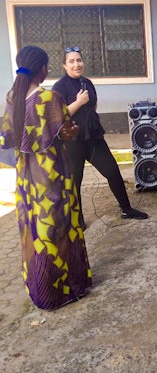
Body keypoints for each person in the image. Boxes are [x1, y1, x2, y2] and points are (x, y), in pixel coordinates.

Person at [2, 45, 91, 310]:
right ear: (43, 69)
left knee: (35, 231)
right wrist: (71, 132)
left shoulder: (11, 99)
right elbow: (65, 132)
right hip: (52, 176)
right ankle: (66, 289)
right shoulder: (49, 98)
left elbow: (8, 139)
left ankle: (40, 290)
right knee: (60, 230)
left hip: (26, 181)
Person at [51, 46, 148, 220]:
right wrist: (79, 102)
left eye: (79, 60)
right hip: (72, 142)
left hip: (94, 138)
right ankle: (77, 221)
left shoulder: (87, 82)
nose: (76, 64)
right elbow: (57, 115)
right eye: (71, 61)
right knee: (74, 182)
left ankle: (126, 209)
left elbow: (94, 105)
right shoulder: (59, 87)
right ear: (64, 66)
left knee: (112, 171)